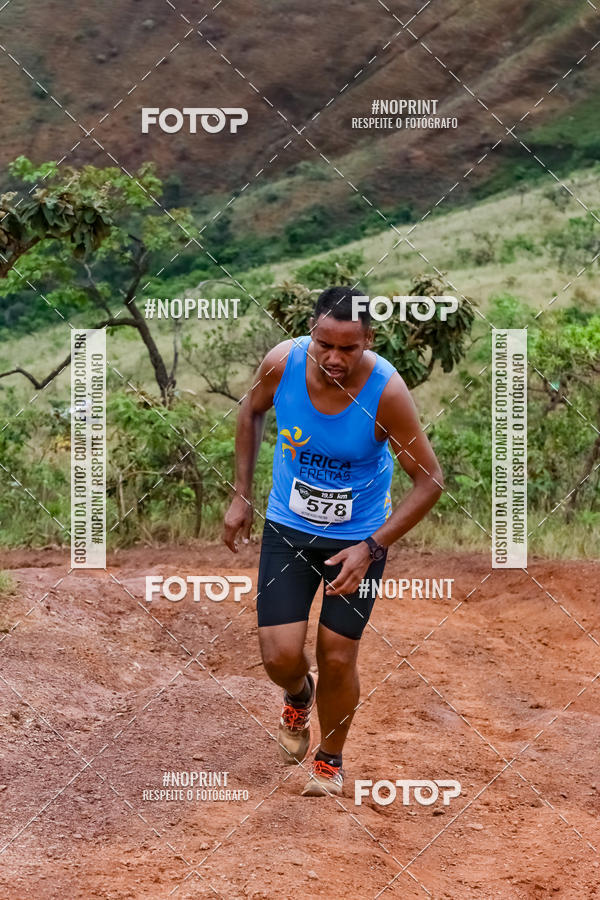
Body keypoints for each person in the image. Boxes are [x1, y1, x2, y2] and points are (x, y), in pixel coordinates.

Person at [223, 286, 444, 796]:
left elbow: (430, 479)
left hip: (357, 541)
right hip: (288, 527)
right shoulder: (282, 364)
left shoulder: (386, 393)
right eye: (325, 344)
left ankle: (329, 759)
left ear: (369, 339)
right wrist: (242, 495)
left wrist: (372, 546)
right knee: (279, 657)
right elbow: (250, 410)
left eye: (349, 347)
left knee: (338, 654)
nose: (334, 358)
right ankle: (298, 697)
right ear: (311, 333)